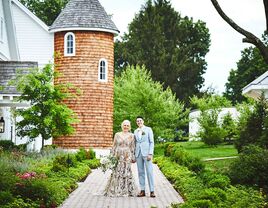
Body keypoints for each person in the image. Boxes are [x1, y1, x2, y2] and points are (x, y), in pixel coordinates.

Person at [104, 120, 137, 197]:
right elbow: (114, 146)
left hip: (127, 155)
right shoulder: (117, 134)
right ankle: (115, 189)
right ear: (122, 126)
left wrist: (133, 156)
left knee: (126, 171)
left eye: (127, 125)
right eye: (124, 125)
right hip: (118, 155)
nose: (126, 127)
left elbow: (133, 147)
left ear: (129, 127)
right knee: (117, 172)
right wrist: (111, 156)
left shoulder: (132, 135)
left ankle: (126, 190)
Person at [134, 116, 155, 198]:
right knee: (140, 172)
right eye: (137, 121)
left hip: (147, 154)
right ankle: (142, 190)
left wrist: (150, 153)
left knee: (149, 172)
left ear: (143, 121)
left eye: (140, 120)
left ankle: (152, 191)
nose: (139, 122)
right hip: (138, 154)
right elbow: (135, 143)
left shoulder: (148, 129)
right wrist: (134, 155)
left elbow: (152, 142)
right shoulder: (135, 131)